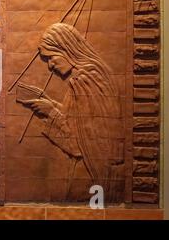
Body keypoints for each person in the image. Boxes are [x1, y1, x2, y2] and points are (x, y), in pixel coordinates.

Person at [19, 23, 125, 202]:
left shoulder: (85, 80)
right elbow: (81, 119)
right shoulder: (93, 74)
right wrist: (50, 103)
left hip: (90, 173)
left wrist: (51, 112)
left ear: (67, 50)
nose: (50, 65)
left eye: (51, 58)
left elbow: (80, 143)